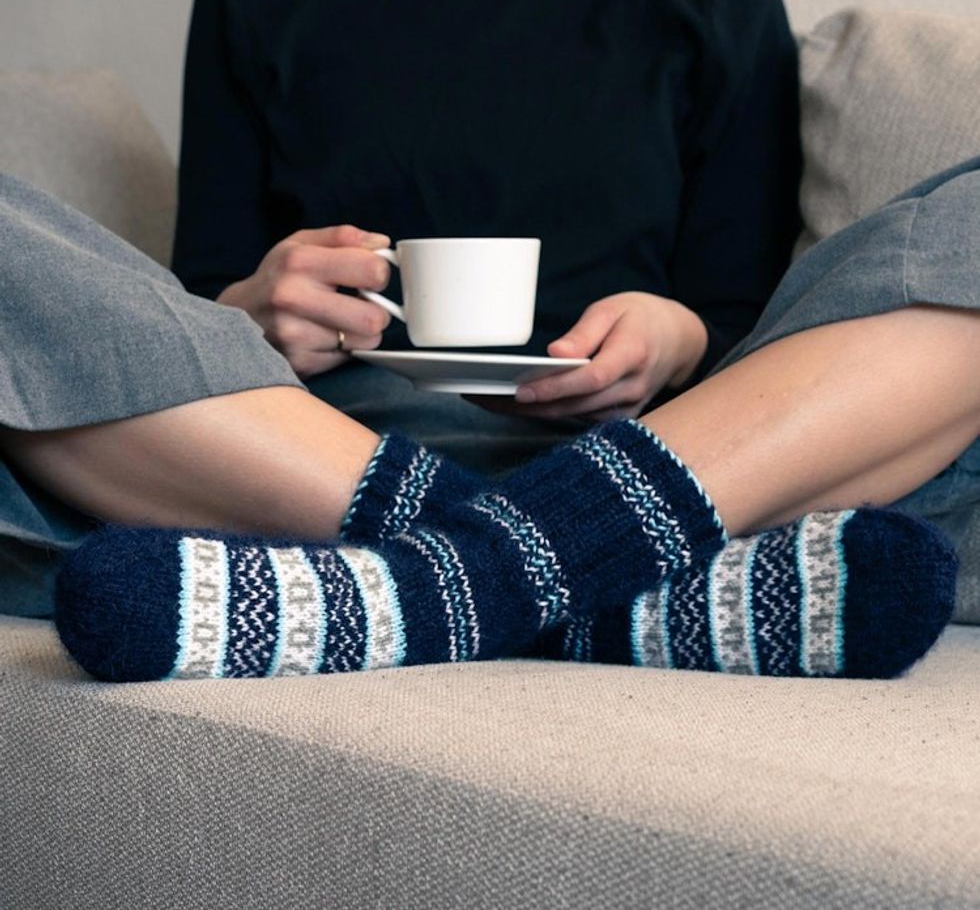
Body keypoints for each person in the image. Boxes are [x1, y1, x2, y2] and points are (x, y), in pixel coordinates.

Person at [1, 154, 978, 682]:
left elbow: (753, 305)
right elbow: (160, 300)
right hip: (269, 443)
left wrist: (674, 334)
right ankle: (610, 581)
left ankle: (435, 580)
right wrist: (250, 309)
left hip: (725, 453)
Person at [169, 0, 802, 464]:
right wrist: (250, 318)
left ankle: (468, 555)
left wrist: (677, 340)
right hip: (333, 442)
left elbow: (754, 329)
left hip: (622, 448)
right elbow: (199, 300)